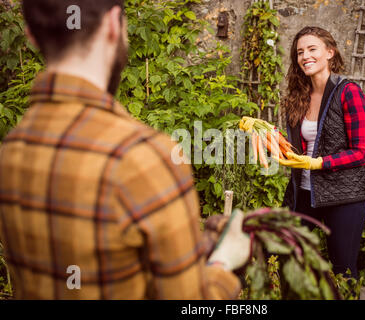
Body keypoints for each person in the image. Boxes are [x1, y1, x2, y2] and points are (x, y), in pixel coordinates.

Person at [0, 0, 249, 299]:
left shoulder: (11, 150)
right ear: (113, 24)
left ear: (30, 36)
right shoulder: (142, 156)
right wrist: (222, 264)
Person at [279, 26, 365, 279]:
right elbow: (299, 150)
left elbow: (361, 152)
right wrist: (271, 141)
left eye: (312, 49)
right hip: (304, 194)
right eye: (299, 52)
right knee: (291, 260)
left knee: (343, 271)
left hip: (343, 199)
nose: (305, 56)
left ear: (330, 52)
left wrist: (319, 163)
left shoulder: (349, 91)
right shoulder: (299, 96)